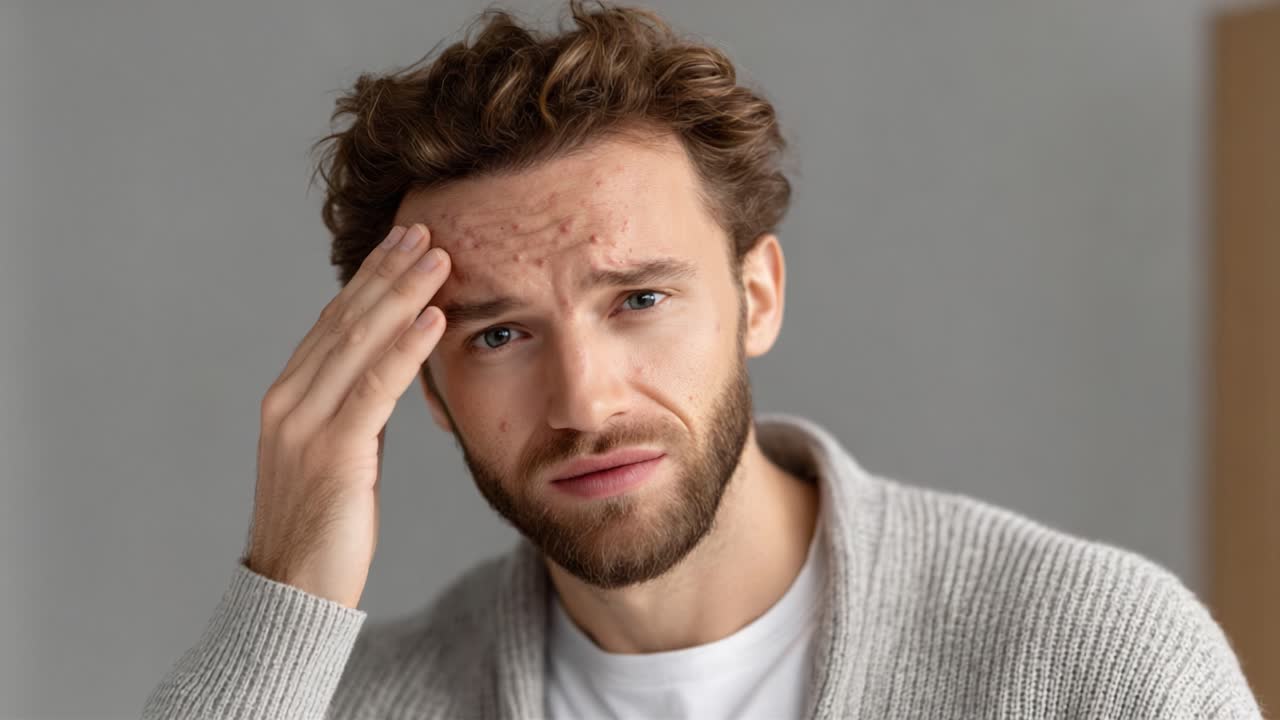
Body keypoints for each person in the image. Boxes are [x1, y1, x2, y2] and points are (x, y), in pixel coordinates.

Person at [142, 2, 1262, 718]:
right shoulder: (352, 705)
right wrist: (286, 587)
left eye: (637, 299)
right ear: (424, 387)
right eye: (496, 334)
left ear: (755, 294)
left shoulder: (1086, 659)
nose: (583, 401)